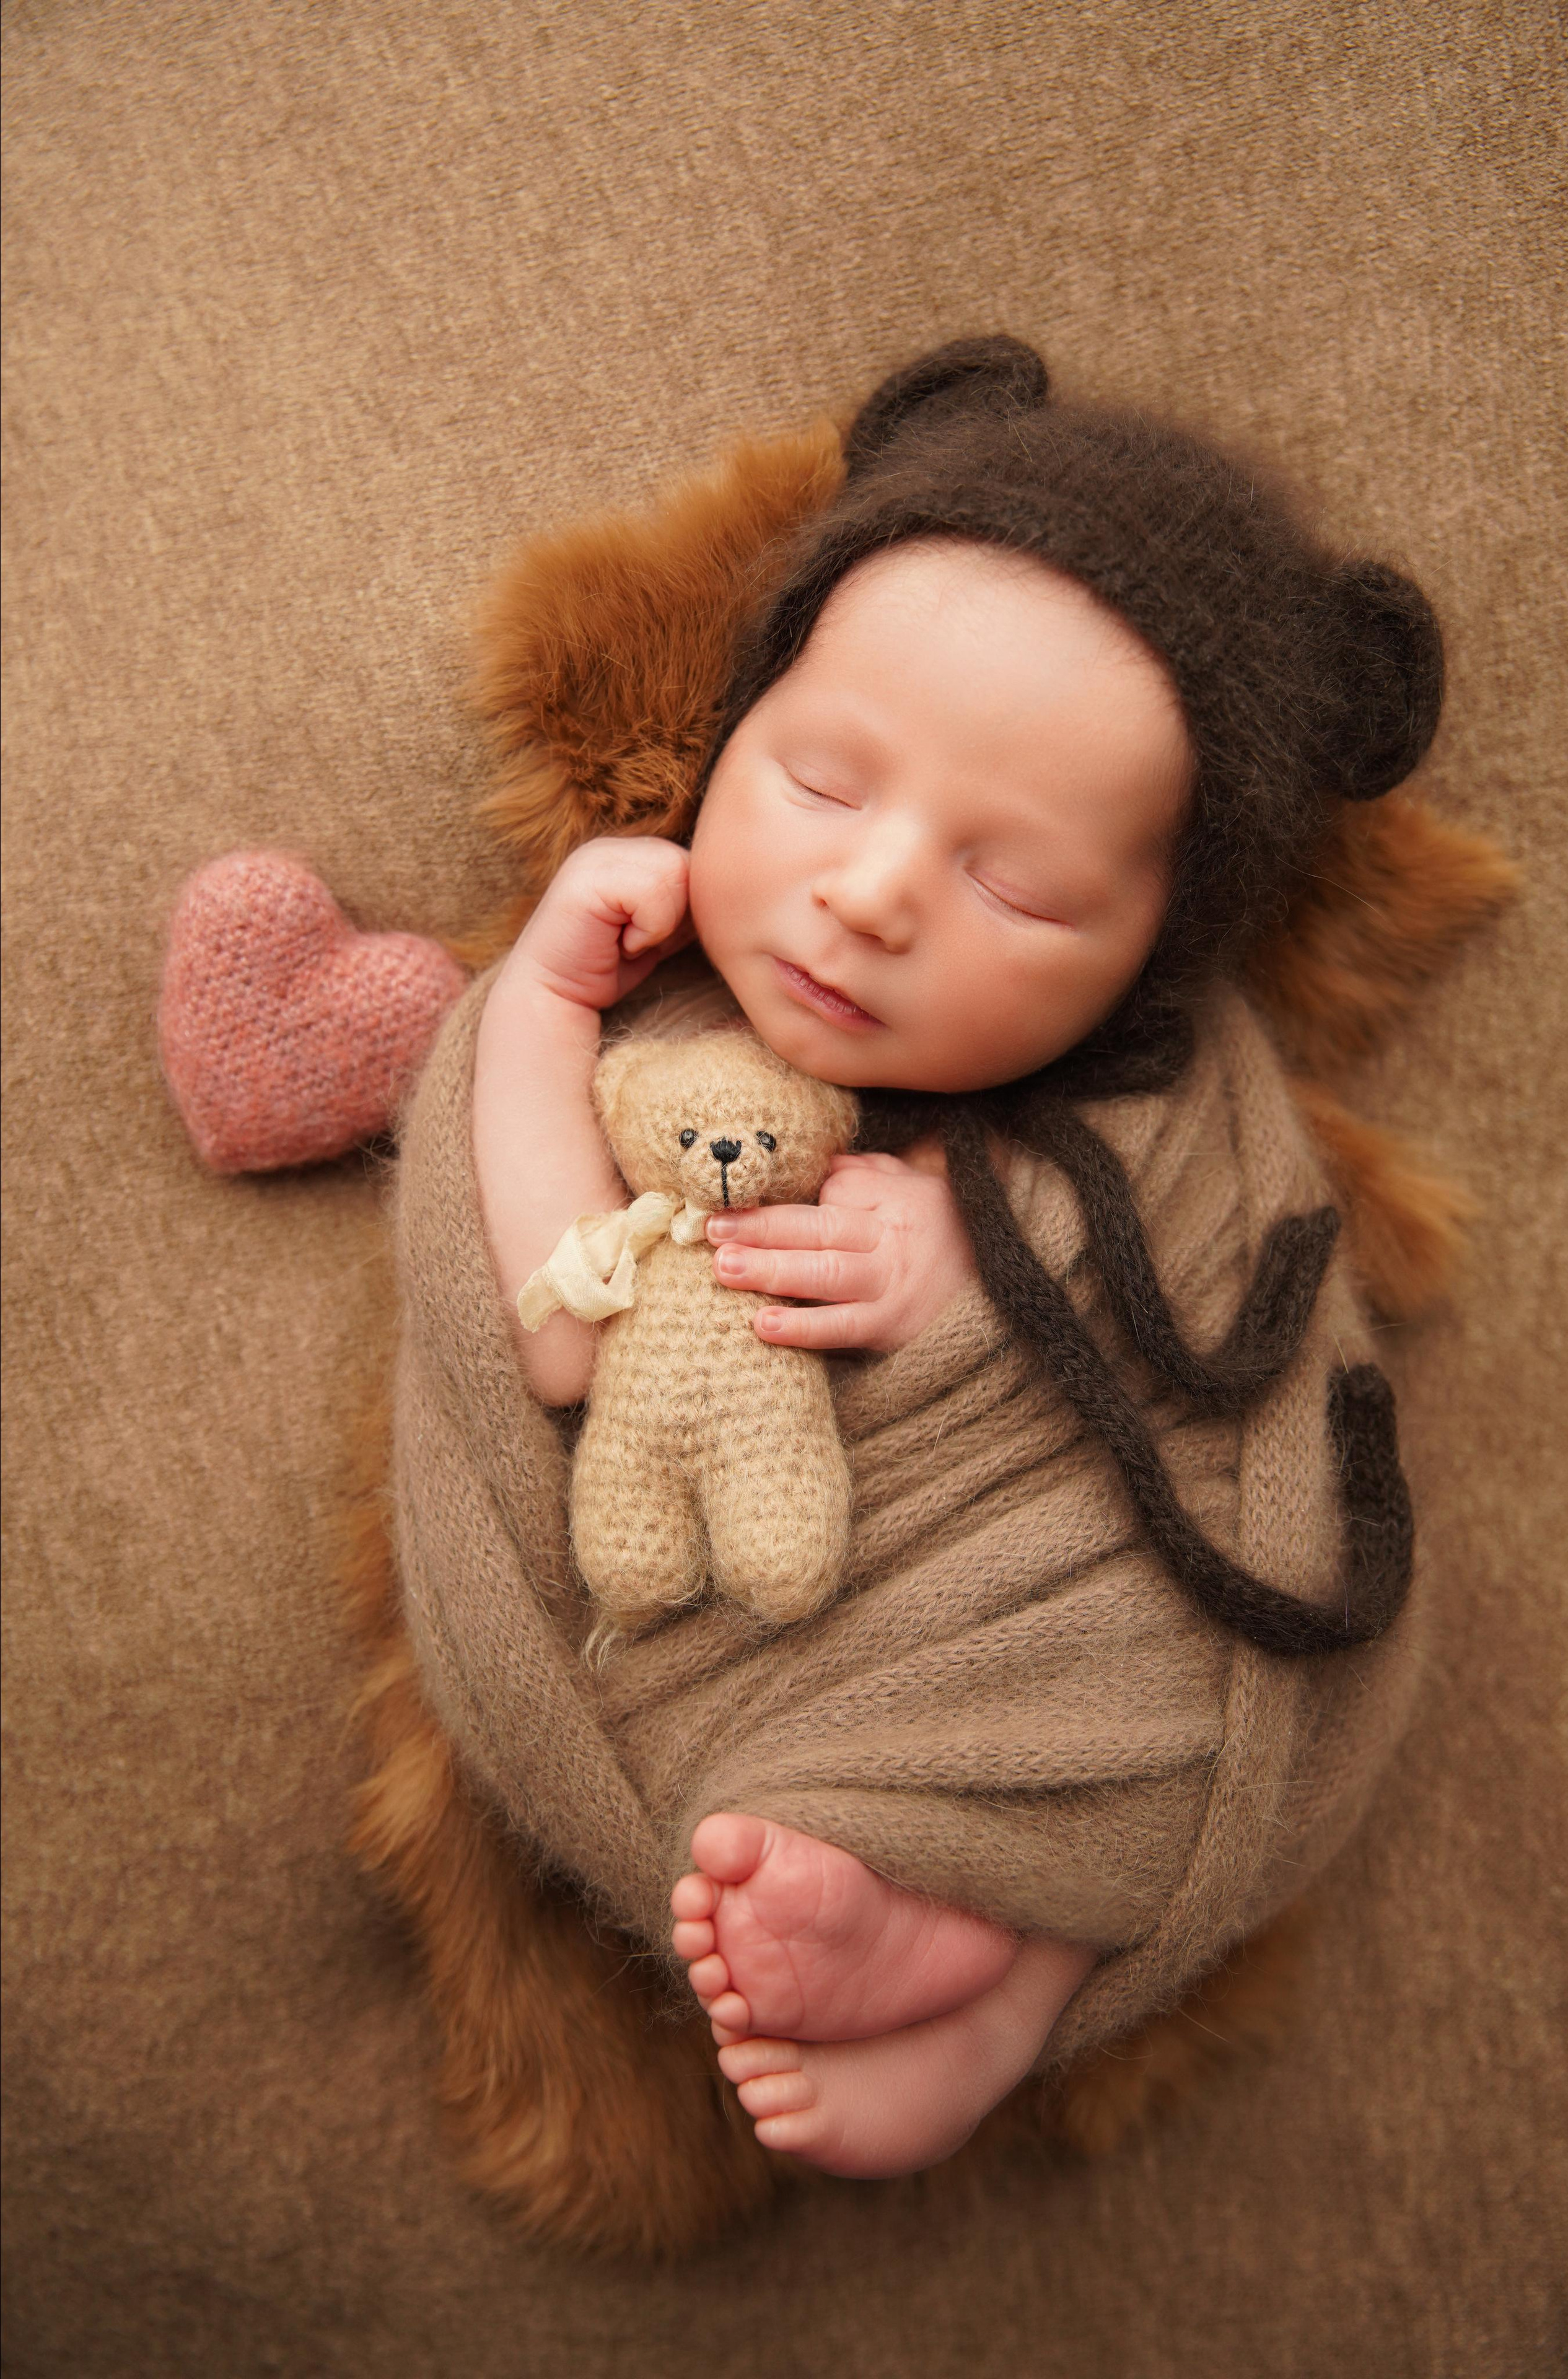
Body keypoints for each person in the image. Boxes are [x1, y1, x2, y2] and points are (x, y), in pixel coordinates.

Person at [460, 337, 1440, 2180]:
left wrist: (1009, 1261)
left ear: (1147, 966)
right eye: (821, 781)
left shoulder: (1172, 1112)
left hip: (1037, 1604)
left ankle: (1000, 1970)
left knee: (1192, 1662)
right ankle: (927, 1925)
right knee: (782, 1753)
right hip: (724, 1653)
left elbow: (1252, 1350)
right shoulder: (636, 1031)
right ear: (738, 727)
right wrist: (535, 1007)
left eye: (1021, 889)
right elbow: (557, 1321)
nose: (875, 891)